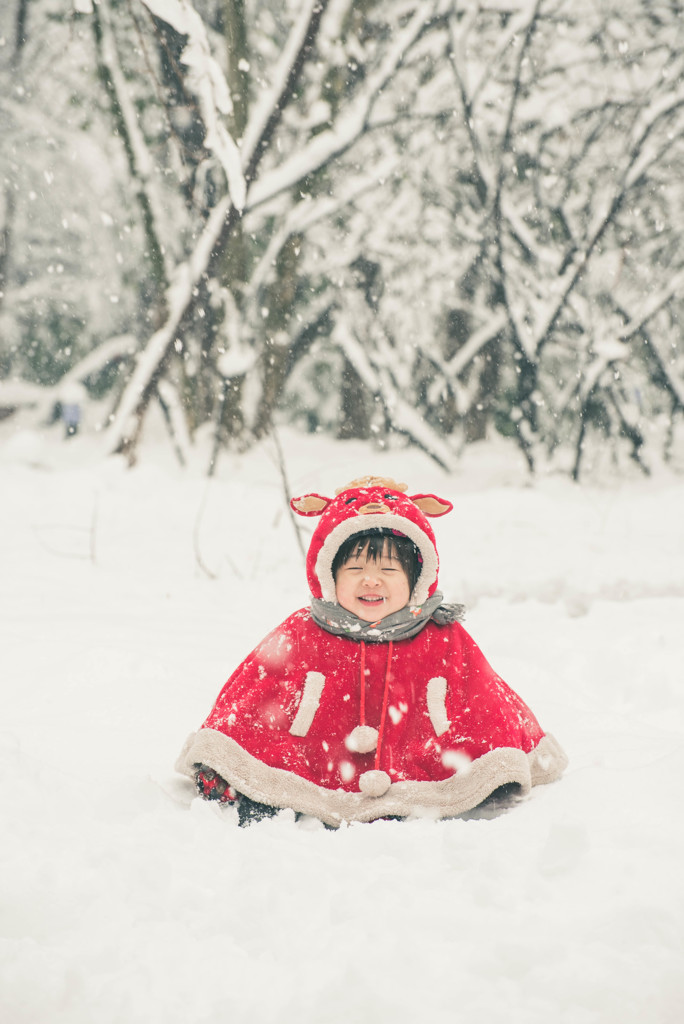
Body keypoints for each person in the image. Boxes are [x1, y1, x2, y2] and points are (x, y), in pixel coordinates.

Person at [176, 475, 567, 826]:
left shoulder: (440, 636)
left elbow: (482, 695)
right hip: (321, 760)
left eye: (388, 571)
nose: (371, 581)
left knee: (476, 766)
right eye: (354, 570)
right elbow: (256, 692)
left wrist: (498, 760)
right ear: (328, 575)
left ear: (417, 580)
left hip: (415, 754)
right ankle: (273, 794)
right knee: (264, 764)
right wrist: (228, 757)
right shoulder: (304, 632)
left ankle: (460, 792)